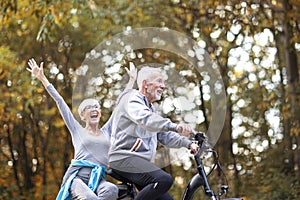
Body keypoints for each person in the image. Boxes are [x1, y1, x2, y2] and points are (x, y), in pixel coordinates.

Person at [27, 58, 136, 200]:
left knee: (111, 189)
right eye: (89, 107)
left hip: (99, 180)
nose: (94, 109)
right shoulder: (77, 130)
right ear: (83, 116)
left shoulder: (107, 130)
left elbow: (120, 106)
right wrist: (42, 78)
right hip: (77, 180)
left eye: (96, 106)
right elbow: (60, 101)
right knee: (91, 198)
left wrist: (132, 80)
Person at [108, 66, 199, 200]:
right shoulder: (132, 99)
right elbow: (147, 120)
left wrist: (188, 143)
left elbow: (164, 135)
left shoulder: (150, 109)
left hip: (138, 163)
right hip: (123, 158)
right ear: (145, 84)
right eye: (159, 81)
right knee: (164, 180)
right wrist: (175, 126)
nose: (163, 86)